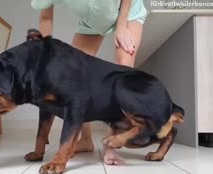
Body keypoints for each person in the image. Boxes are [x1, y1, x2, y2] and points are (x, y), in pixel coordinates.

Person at [31, 0, 148, 165]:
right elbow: (45, 17)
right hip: (94, 20)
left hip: (127, 12)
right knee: (74, 77)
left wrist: (121, 27)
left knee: (122, 71)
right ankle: (85, 140)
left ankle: (111, 148)